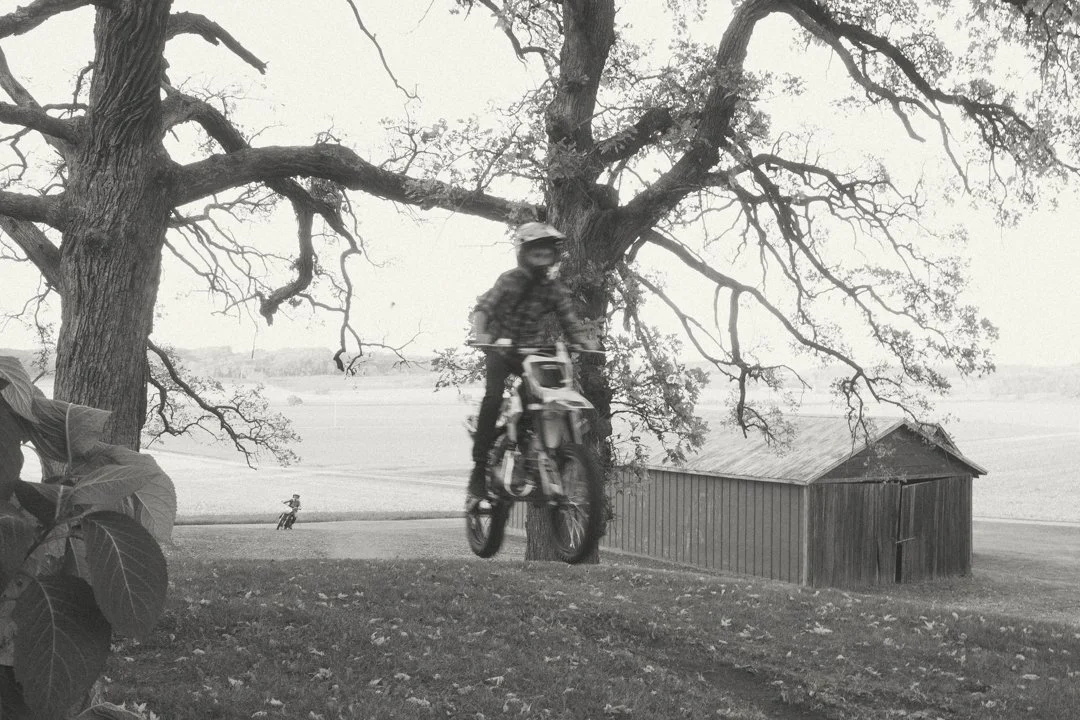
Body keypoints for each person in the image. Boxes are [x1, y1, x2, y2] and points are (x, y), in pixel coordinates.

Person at [467, 221, 598, 507]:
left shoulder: (553, 288)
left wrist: (583, 341)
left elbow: (569, 319)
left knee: (546, 400)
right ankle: (478, 470)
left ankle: (537, 459)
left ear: (553, 256)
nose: (541, 259)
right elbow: (483, 308)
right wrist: (482, 334)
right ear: (523, 253)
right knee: (492, 397)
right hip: (500, 349)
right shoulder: (508, 280)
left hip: (531, 354)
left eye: (546, 254)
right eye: (535, 254)